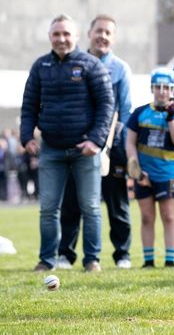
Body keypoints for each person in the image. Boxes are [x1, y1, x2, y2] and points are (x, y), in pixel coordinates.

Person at [20, 14, 114, 272]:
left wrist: (96, 141)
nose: (61, 39)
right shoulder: (40, 67)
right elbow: (28, 106)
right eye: (56, 34)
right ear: (50, 37)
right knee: (48, 208)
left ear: (76, 36)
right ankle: (47, 259)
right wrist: (26, 136)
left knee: (91, 207)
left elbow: (107, 105)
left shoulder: (92, 65)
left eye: (66, 34)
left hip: (86, 150)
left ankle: (92, 260)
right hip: (51, 149)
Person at [57, 14, 133, 270]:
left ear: (113, 37)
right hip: (76, 145)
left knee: (117, 204)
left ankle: (122, 254)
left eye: (108, 32)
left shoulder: (120, 69)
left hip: (112, 148)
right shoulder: (72, 63)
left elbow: (125, 111)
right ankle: (66, 254)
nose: (102, 36)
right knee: (73, 202)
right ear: (89, 33)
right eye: (98, 31)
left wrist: (109, 146)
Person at [126, 68, 174, 268]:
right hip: (144, 174)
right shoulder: (140, 112)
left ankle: (170, 260)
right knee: (146, 217)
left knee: (169, 216)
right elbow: (129, 142)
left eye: (167, 87)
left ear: (173, 90)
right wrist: (135, 168)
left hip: (167, 173)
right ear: (152, 88)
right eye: (158, 87)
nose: (162, 91)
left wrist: (171, 119)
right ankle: (148, 260)